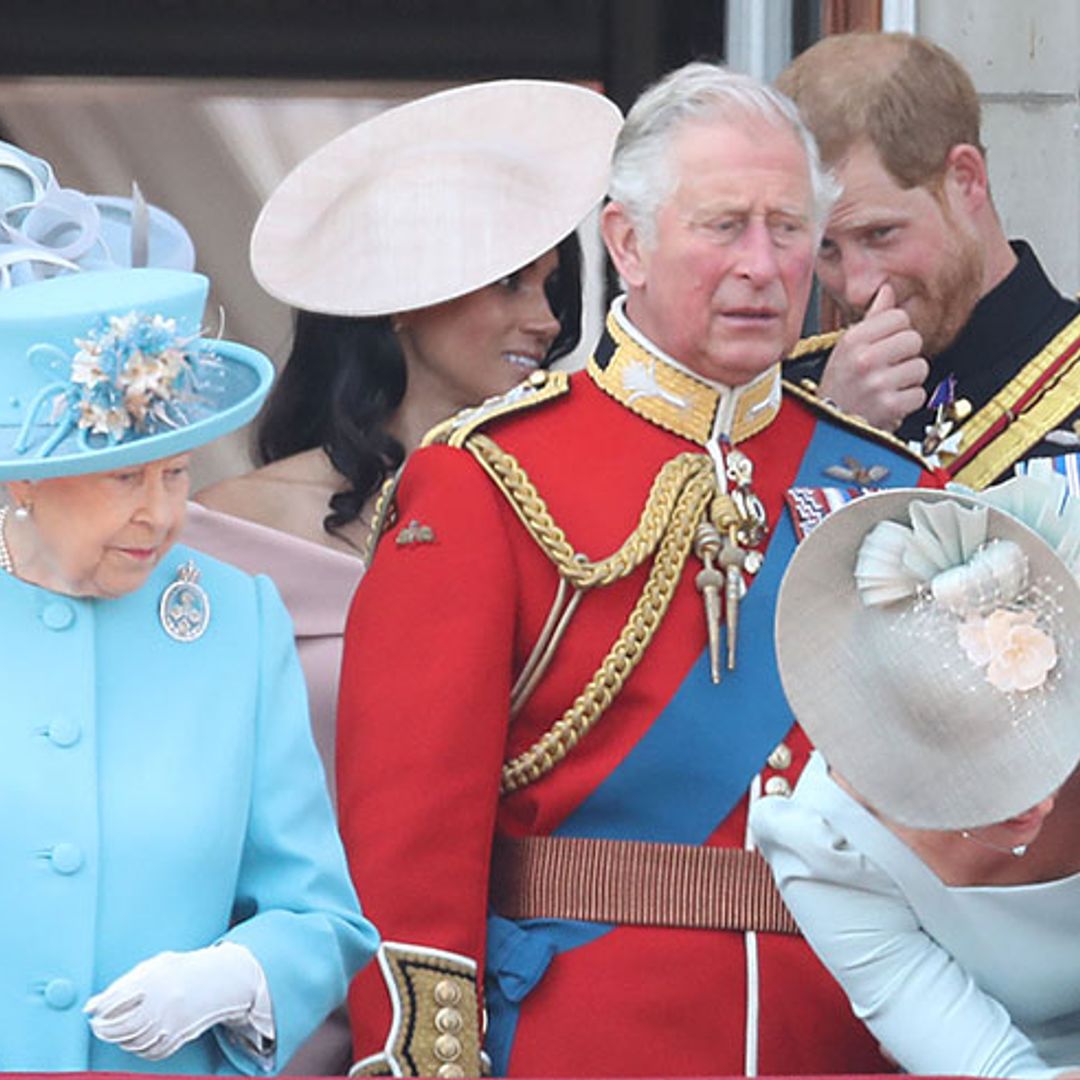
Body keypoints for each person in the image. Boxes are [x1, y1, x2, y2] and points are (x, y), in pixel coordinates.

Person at [335, 61, 942, 1078]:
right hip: (580, 1041)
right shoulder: (487, 478)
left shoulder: (891, 486)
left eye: (789, 228)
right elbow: (407, 851)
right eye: (723, 225)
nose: (762, 263)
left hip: (847, 1039)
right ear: (627, 242)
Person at [0, 238, 378, 1065]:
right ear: (22, 479)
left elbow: (322, 914)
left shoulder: (236, 621)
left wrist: (240, 974)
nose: (162, 516)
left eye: (175, 474)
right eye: (125, 479)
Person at [188, 78, 621, 796]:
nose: (547, 321)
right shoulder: (230, 531)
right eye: (512, 283)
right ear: (402, 300)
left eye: (551, 288)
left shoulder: (575, 518)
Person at [751, 476, 1080, 1076]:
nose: (1032, 800)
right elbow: (989, 1068)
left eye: (1040, 741)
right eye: (982, 765)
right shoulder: (827, 846)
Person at [779, 32, 1080, 489]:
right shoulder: (784, 397)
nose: (857, 288)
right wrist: (837, 430)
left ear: (966, 179)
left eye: (880, 234)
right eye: (826, 248)